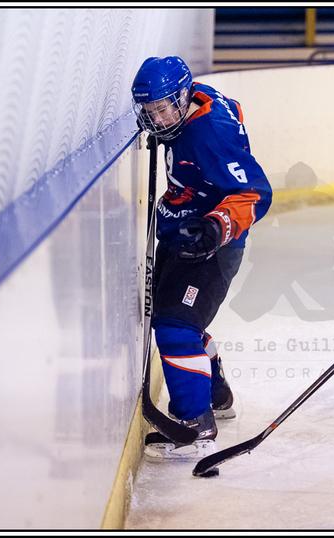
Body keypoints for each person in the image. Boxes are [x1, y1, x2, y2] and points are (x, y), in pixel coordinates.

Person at [132, 56, 272, 458]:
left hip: (212, 244)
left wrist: (215, 226)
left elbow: (256, 193)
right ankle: (216, 393)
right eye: (149, 111)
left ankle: (196, 425)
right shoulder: (197, 102)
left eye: (163, 109)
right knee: (175, 319)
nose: (157, 119)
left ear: (182, 98)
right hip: (184, 231)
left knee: (176, 326)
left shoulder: (209, 134)